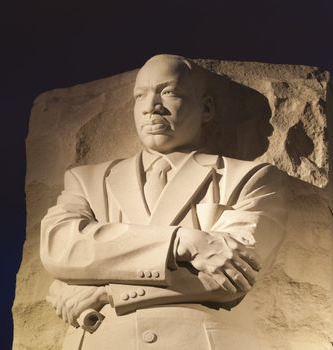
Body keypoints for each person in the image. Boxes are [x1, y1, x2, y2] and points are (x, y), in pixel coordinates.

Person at [40, 54, 287, 349]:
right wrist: (181, 241)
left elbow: (231, 277)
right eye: (140, 96)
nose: (151, 108)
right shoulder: (87, 180)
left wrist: (108, 291)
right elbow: (61, 247)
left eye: (168, 92)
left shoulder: (250, 178)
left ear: (206, 108)